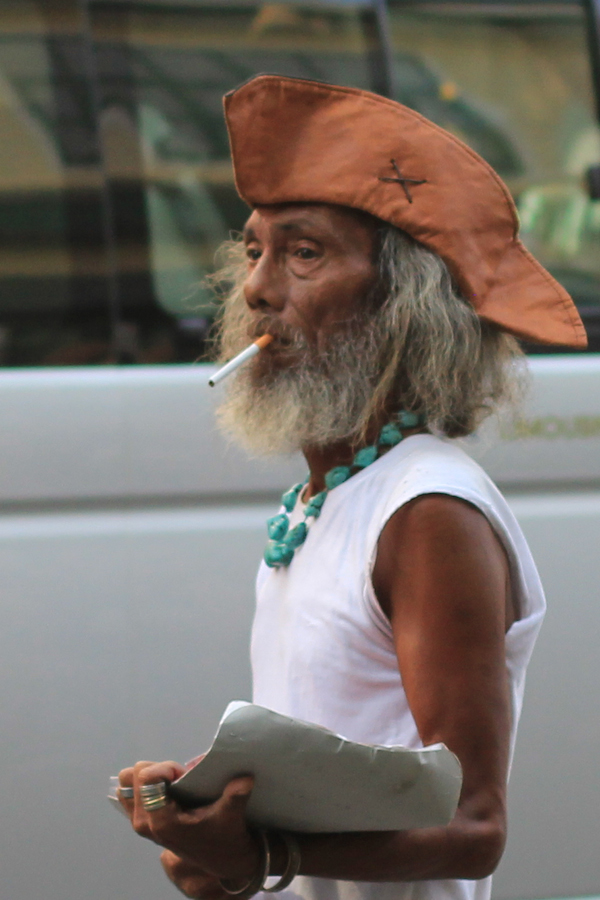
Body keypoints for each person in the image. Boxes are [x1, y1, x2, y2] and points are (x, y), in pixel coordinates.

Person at [117, 76, 586, 900]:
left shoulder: (427, 512)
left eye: (305, 253)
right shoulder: (324, 497)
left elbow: (474, 828)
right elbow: (346, 767)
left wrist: (264, 856)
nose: (260, 289)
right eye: (255, 249)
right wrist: (220, 823)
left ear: (402, 305)